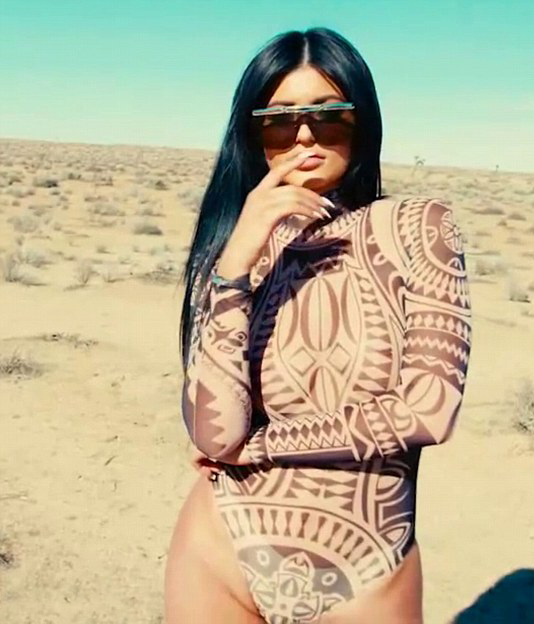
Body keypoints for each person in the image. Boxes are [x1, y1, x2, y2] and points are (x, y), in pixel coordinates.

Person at [164, 26, 472, 624]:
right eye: (279, 121)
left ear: (362, 121)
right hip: (220, 549)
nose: (304, 135)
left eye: (328, 116)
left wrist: (262, 445)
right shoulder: (236, 250)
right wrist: (235, 263)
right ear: (255, 136)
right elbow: (214, 436)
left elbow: (429, 409)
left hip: (365, 570)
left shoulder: (417, 227)